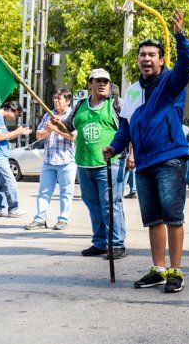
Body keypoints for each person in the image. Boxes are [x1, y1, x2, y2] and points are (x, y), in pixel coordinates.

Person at [104, 8, 189, 293]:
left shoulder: (171, 83)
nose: (146, 59)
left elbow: (187, 66)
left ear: (161, 60)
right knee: (153, 219)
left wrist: (180, 36)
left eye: (152, 55)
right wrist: (115, 146)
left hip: (169, 158)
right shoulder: (130, 91)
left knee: (173, 217)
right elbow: (125, 126)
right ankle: (158, 269)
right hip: (142, 163)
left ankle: (175, 271)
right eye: (142, 55)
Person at [56, 69, 127, 258]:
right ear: (90, 83)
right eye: (99, 81)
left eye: (106, 81)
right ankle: (100, 242)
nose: (103, 84)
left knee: (111, 204)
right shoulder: (80, 106)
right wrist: (58, 123)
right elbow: (68, 127)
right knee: (93, 205)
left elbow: (129, 129)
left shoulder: (116, 105)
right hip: (85, 164)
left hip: (109, 164)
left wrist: (133, 155)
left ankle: (117, 243)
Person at [24, 89, 77, 230]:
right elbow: (38, 135)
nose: (56, 101)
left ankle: (63, 219)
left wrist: (56, 129)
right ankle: (40, 219)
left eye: (59, 98)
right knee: (44, 191)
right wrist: (49, 130)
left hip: (67, 161)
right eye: (55, 98)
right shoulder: (49, 114)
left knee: (66, 192)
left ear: (68, 101)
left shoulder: (72, 115)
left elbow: (73, 136)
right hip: (49, 160)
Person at [0, 101, 31, 218]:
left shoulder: (0, 118)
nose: (14, 118)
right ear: (10, 110)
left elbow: (4, 137)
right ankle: (13, 209)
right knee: (10, 182)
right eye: (16, 115)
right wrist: (17, 131)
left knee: (2, 184)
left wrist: (20, 132)